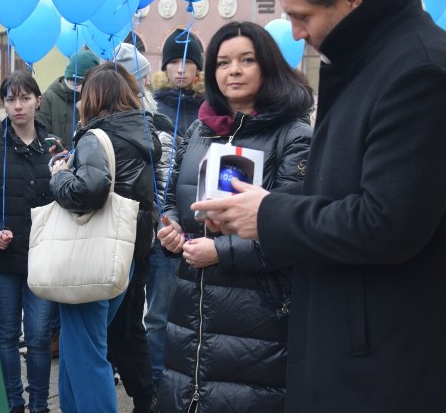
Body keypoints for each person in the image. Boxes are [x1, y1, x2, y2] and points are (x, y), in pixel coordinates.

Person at [192, 0, 446, 412]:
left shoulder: (418, 71)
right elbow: (349, 194)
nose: (294, 31)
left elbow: (388, 222)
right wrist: (264, 207)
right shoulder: (379, 61)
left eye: (303, 16)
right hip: (372, 350)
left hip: (397, 365)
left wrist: (268, 214)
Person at [156, 21, 313, 412]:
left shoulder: (293, 135)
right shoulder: (199, 132)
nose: (234, 71)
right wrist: (173, 231)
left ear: (268, 66)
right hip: (190, 304)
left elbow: (293, 230)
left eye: (246, 60)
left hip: (257, 315)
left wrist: (221, 252)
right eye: (223, 62)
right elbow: (173, 199)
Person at [48, 62, 161, 413]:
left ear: (93, 98)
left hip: (90, 255)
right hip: (124, 254)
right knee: (77, 347)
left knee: (87, 352)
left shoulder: (97, 136)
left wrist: (58, 177)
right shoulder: (144, 134)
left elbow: (91, 189)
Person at [0, 72, 55, 413]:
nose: (18, 105)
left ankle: (39, 403)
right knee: (6, 335)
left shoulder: (54, 146)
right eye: (10, 99)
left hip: (42, 255)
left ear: (38, 101)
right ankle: (14, 404)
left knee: (38, 337)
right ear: (3, 103)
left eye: (25, 98)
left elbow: (63, 199)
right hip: (2, 256)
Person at [110, 43, 172, 412]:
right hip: (115, 239)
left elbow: (164, 182)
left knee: (137, 320)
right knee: (123, 324)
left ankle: (147, 393)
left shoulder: (156, 126)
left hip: (141, 238)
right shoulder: (97, 127)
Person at [147, 29, 205, 388]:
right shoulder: (152, 106)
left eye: (188, 62)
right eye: (174, 61)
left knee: (196, 314)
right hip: (161, 222)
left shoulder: (209, 108)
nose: (181, 69)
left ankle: (190, 380)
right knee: (158, 313)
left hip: (198, 221)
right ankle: (156, 383)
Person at [37, 49, 100, 150]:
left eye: (86, 83)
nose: (80, 88)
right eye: (75, 81)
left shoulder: (98, 100)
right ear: (67, 78)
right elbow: (39, 133)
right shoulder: (48, 99)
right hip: (58, 161)